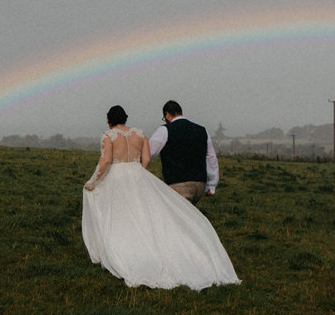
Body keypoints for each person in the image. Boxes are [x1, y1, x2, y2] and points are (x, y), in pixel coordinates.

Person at [82, 105, 239, 290]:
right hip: (138, 175)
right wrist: (135, 172)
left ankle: (127, 251)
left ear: (109, 121)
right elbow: (147, 159)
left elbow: (106, 160)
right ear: (125, 118)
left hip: (116, 178)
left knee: (119, 216)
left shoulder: (108, 135)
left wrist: (92, 182)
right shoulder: (140, 133)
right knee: (144, 215)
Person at [148, 99, 218, 204]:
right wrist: (211, 185)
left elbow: (149, 152)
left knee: (177, 218)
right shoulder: (202, 130)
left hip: (178, 184)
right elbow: (211, 157)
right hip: (199, 184)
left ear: (167, 115)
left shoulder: (165, 130)